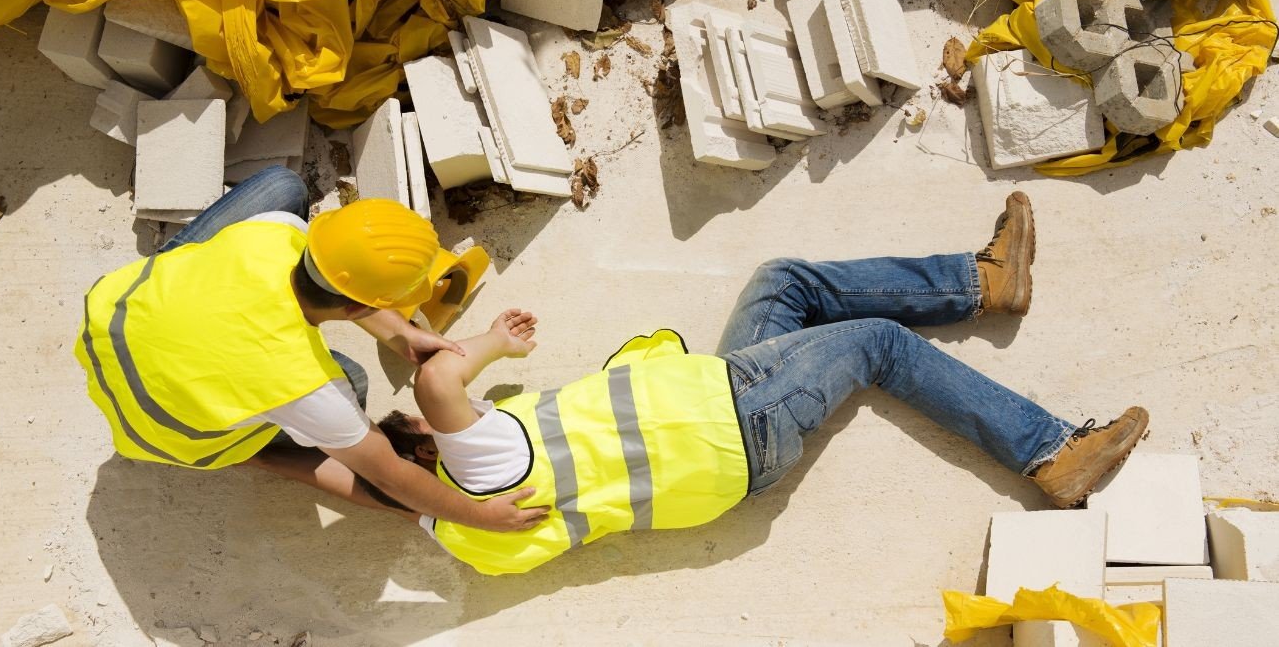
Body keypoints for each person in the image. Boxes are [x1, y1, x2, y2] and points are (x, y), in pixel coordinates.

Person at [363, 192, 1150, 574]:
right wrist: (490, 344)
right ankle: (1051, 452)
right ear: (432, 448)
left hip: (725, 436)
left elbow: (358, 478)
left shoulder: (460, 536)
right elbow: (437, 377)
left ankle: (985, 282)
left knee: (783, 284)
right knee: (878, 343)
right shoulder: (488, 465)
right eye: (431, 424)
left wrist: (301, 453)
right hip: (733, 418)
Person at [73, 166, 548, 533]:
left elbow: (339, 284)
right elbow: (389, 478)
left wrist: (400, 333)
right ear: (361, 307)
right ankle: (245, 449)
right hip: (162, 431)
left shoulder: (274, 231)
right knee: (355, 384)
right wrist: (480, 516)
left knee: (282, 185)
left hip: (112, 322)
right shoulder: (310, 388)